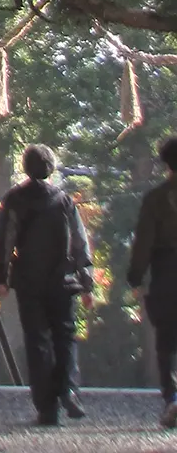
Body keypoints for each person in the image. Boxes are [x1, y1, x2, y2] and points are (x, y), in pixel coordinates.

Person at [0, 143, 94, 426]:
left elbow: (5, 240)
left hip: (29, 281)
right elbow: (79, 242)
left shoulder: (14, 200)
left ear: (26, 167)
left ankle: (46, 408)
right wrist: (86, 282)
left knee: (37, 341)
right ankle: (69, 390)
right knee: (65, 336)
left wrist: (2, 276)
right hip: (62, 280)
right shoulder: (63, 200)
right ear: (51, 167)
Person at [128, 134, 177, 426]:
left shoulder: (156, 199)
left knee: (166, 341)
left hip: (167, 272)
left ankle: (172, 399)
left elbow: (143, 242)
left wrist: (135, 275)